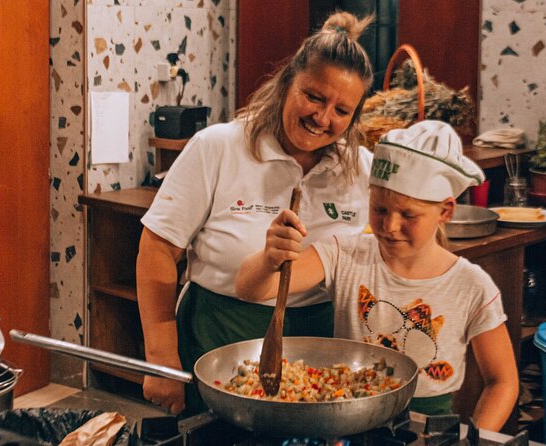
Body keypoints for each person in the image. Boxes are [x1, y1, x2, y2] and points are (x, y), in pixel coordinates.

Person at [136, 11, 375, 416]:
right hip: (216, 338)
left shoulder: (361, 169)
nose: (323, 118)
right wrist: (160, 358)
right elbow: (157, 248)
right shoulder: (218, 147)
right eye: (314, 96)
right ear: (287, 83)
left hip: (320, 353)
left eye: (341, 110)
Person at [235, 120, 520, 431]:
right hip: (349, 423)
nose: (390, 226)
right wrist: (269, 258)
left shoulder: (471, 285)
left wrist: (476, 438)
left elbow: (502, 381)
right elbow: (251, 290)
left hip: (429, 429)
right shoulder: (344, 254)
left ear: (446, 211)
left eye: (409, 215)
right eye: (379, 210)